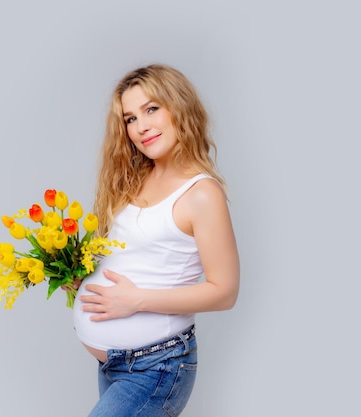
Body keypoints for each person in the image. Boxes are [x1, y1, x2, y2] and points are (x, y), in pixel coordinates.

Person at [72, 64, 240, 417]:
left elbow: (225, 292)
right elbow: (134, 255)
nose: (141, 126)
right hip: (116, 365)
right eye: (130, 118)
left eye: (151, 109)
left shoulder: (201, 193)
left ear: (178, 107)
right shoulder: (135, 178)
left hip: (155, 367)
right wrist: (82, 276)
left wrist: (137, 301)